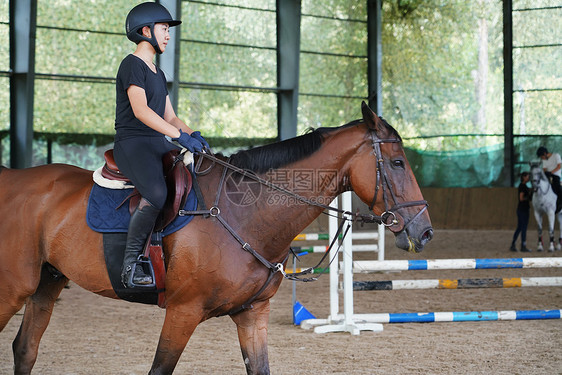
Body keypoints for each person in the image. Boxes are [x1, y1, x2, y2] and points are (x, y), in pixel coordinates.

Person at [114, 2, 209, 288]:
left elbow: (170, 116)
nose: (168, 35)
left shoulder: (157, 72)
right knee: (156, 193)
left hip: (157, 140)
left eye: (168, 30)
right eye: (164, 29)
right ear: (146, 31)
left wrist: (195, 135)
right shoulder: (132, 64)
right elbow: (142, 111)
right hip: (133, 142)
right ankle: (131, 264)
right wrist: (179, 138)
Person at [510, 172, 532, 252]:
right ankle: (523, 245)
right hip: (523, 210)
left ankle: (513, 244)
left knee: (519, 227)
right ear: (524, 177)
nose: (528, 178)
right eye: (527, 177)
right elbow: (521, 198)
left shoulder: (524, 186)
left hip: (521, 209)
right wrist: (528, 197)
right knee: (523, 228)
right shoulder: (522, 186)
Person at [537, 146, 561, 214]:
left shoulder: (556, 155)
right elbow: (544, 169)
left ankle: (559, 204)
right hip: (547, 175)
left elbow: (559, 166)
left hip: (555, 175)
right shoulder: (544, 160)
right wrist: (545, 174)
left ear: (545, 153)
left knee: (557, 187)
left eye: (542, 156)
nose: (542, 158)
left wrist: (551, 172)